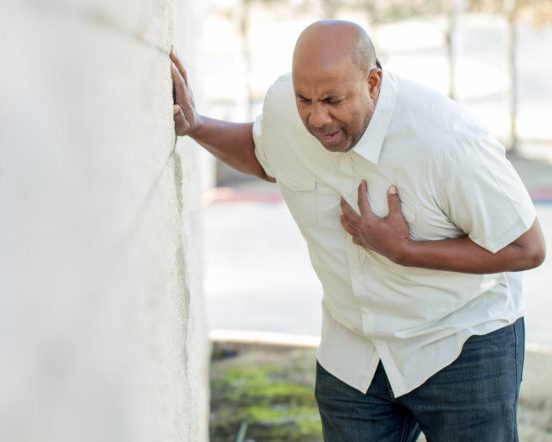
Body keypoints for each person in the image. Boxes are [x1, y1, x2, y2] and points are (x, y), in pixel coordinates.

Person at [170, 20, 546, 441]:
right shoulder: (285, 112)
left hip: (460, 344)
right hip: (354, 355)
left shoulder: (448, 142)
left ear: (372, 82)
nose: (316, 116)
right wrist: (195, 125)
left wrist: (404, 250)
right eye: (304, 99)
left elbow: (527, 247)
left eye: (332, 100)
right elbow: (265, 156)